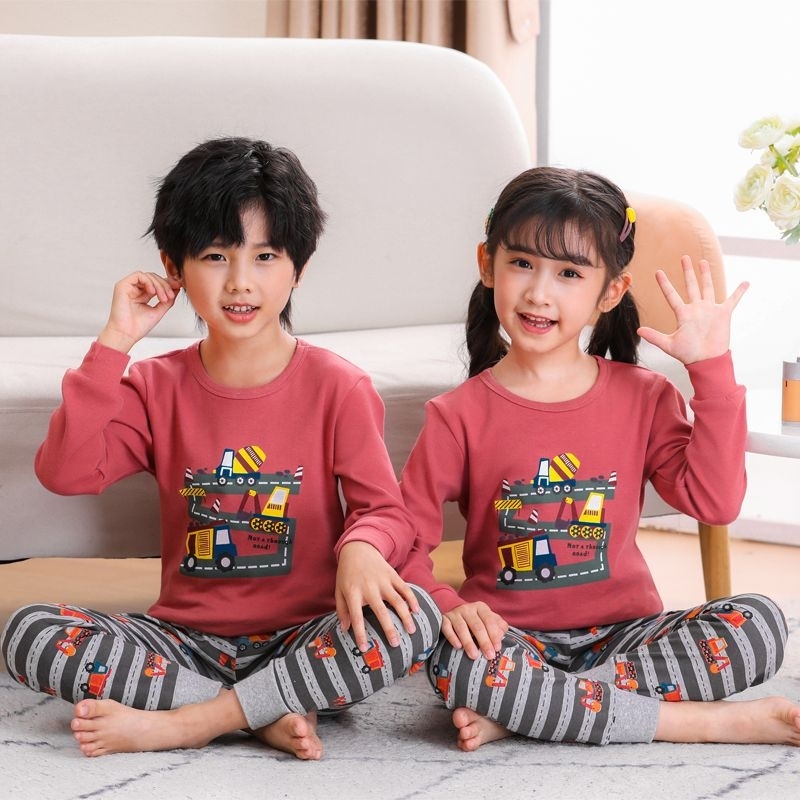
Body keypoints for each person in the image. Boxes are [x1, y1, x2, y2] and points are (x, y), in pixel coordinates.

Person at [1, 137, 441, 759]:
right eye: (215, 256)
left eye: (265, 256)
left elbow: (384, 510)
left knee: (414, 618)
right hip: (185, 642)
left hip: (302, 642)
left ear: (298, 268)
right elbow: (66, 472)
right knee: (30, 632)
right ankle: (255, 712)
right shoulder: (155, 387)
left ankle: (192, 720)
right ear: (174, 267)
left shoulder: (337, 386)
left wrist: (363, 548)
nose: (240, 282)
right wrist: (115, 342)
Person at [399, 166, 800, 750]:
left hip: (629, 637)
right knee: (455, 663)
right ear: (487, 264)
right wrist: (446, 603)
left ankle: (535, 709)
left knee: (760, 625)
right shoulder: (457, 414)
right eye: (521, 263)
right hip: (510, 640)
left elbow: (716, 502)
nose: (539, 293)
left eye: (569, 273)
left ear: (610, 292)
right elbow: (403, 542)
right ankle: (701, 724)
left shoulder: (644, 396)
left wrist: (711, 369)